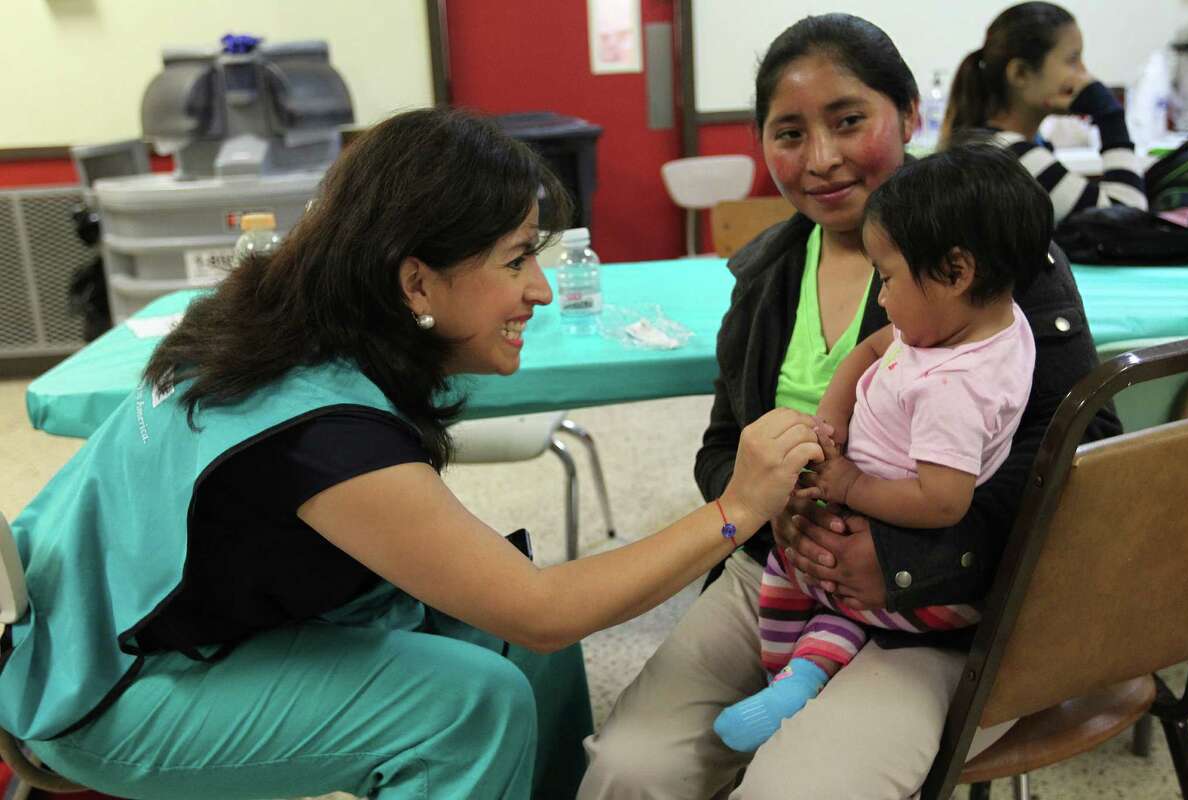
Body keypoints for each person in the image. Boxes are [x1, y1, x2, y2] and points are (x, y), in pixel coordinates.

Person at [0, 108, 825, 800]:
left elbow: (528, 620)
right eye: (517, 258)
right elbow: (541, 605)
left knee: (521, 652)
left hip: (118, 619)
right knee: (471, 703)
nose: (539, 289)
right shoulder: (322, 435)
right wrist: (735, 512)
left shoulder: (273, 321)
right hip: (103, 690)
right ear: (415, 284)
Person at [578, 14, 1120, 800]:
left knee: (797, 789)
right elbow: (720, 447)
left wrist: (901, 557)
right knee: (631, 769)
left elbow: (1081, 456)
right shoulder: (764, 278)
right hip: (779, 568)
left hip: (950, 605)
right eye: (788, 132)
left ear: (907, 114)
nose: (822, 159)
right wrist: (774, 508)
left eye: (848, 121)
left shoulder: (990, 257)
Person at [712, 144, 1048, 753]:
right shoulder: (982, 321)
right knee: (817, 577)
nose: (882, 297)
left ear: (956, 270)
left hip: (908, 543)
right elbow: (869, 351)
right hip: (874, 513)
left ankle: (793, 675)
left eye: (887, 278)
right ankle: (801, 673)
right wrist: (831, 420)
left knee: (798, 569)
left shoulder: (956, 388)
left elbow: (943, 501)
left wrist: (847, 486)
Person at [941, 1, 1147, 225]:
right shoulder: (1014, 157)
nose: (1084, 74)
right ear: (1020, 74)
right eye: (1072, 60)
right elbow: (1129, 221)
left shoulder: (996, 145)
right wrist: (1111, 117)